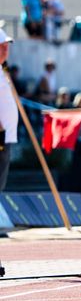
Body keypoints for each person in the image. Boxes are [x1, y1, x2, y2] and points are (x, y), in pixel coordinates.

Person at [0, 28, 17, 191]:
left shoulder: (2, 70)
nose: (6, 49)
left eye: (7, 46)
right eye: (1, 46)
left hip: (6, 136)